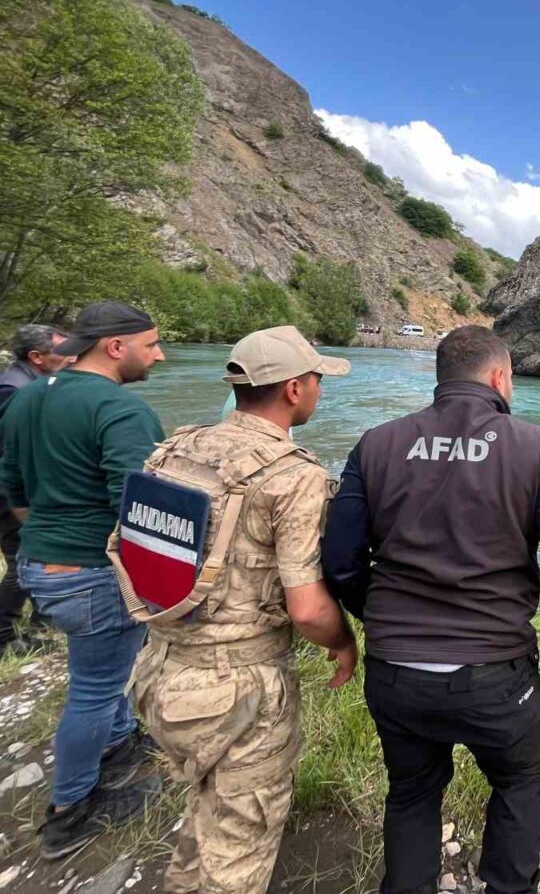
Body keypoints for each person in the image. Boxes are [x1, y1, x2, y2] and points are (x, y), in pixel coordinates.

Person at [322, 324, 540, 894]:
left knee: (412, 792)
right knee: (518, 782)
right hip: (497, 672)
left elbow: (340, 560)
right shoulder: (535, 445)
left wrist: (381, 619)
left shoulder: (377, 443)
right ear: (499, 376)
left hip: (398, 673)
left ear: (441, 377)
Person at [128, 325, 357, 894]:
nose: (319, 390)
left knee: (206, 808)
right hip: (238, 693)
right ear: (295, 389)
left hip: (158, 671)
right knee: (239, 846)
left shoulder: (176, 449)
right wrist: (343, 641)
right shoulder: (295, 476)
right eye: (317, 380)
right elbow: (307, 609)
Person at [0, 302, 166, 859]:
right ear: (115, 347)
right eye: (151, 345)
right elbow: (139, 508)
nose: (159, 356)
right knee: (94, 688)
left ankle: (118, 742)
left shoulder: (27, 396)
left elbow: (13, 487)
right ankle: (70, 811)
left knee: (99, 668)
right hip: (91, 572)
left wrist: (49, 545)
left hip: (38, 562)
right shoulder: (121, 410)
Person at [0, 324, 70, 655]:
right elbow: (12, 449)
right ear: (37, 357)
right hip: (9, 493)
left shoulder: (24, 382)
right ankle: (4, 636)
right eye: (62, 351)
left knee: (31, 556)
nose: (70, 356)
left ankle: (39, 621)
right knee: (22, 560)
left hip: (18, 488)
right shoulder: (13, 389)